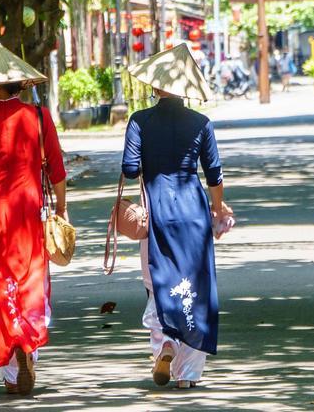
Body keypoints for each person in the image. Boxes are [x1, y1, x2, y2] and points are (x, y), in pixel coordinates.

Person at [120, 43, 234, 389]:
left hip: (156, 211)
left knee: (158, 282)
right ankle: (186, 375)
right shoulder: (201, 122)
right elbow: (213, 174)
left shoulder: (139, 121)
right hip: (193, 209)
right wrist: (219, 207)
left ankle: (165, 344)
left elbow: (129, 168)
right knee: (196, 285)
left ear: (156, 86)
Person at [0, 43, 68, 396]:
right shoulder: (38, 117)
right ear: (19, 84)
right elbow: (57, 169)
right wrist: (62, 210)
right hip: (29, 212)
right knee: (30, 282)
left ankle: (10, 367)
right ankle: (29, 347)